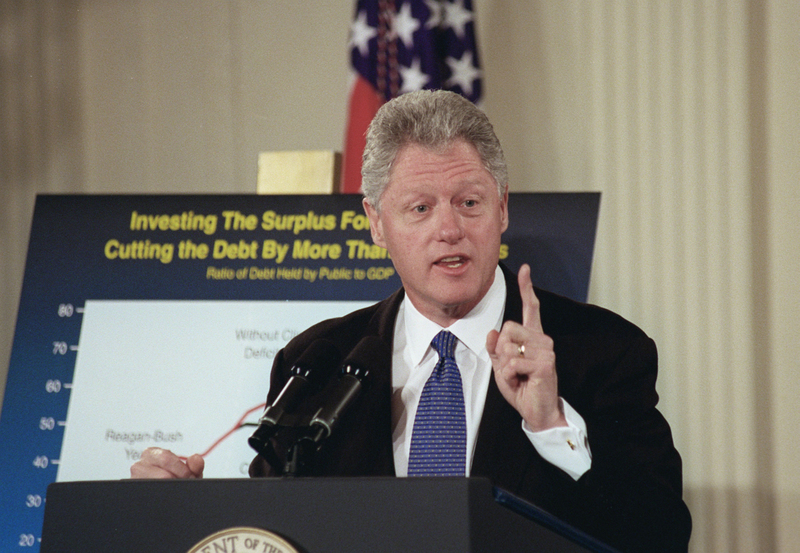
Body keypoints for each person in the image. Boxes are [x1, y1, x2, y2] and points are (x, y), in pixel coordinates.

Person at [132, 89, 691, 552]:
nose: (449, 229)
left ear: (502, 208)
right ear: (377, 224)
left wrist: (552, 427)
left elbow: (660, 537)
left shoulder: (602, 351)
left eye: (469, 202)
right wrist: (192, 511)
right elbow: (281, 531)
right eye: (420, 208)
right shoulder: (317, 362)